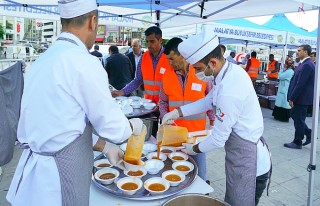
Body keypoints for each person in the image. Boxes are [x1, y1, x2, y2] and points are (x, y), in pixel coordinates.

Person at [6, 1, 145, 205]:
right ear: (93, 21)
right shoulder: (83, 62)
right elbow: (114, 127)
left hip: (33, 177)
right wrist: (133, 126)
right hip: (59, 182)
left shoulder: (40, 62)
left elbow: (60, 129)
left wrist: (106, 147)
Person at [162, 26, 271, 206]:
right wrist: (178, 112)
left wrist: (192, 149)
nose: (196, 73)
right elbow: (208, 100)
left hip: (250, 161)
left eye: (198, 68)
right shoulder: (227, 73)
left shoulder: (230, 90)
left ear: (213, 63)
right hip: (238, 155)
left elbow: (218, 139)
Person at [160, 37, 215, 180]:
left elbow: (211, 99)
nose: (169, 63)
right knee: (175, 175)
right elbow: (163, 102)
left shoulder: (201, 73)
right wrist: (165, 117)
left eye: (172, 59)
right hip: (174, 137)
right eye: (168, 59)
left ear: (183, 55)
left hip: (197, 138)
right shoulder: (166, 75)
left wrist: (213, 121)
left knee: (200, 176)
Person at [111, 26, 172, 104]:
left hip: (166, 105)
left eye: (152, 41)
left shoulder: (169, 57)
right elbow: (138, 80)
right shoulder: (144, 57)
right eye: (147, 41)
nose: (149, 45)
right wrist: (123, 91)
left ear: (160, 40)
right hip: (149, 104)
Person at [284, 44, 315, 149]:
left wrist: (292, 97)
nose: (297, 52)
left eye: (299, 50)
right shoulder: (303, 63)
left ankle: (298, 142)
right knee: (295, 116)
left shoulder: (307, 64)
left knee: (298, 119)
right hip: (300, 97)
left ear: (306, 52)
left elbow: (300, 83)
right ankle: (308, 133)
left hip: (302, 98)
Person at [272, 56, 295, 122]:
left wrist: (282, 70)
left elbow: (280, 76)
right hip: (283, 87)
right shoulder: (287, 70)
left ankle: (283, 117)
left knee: (284, 102)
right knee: (280, 102)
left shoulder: (290, 71)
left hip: (285, 88)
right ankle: (278, 116)